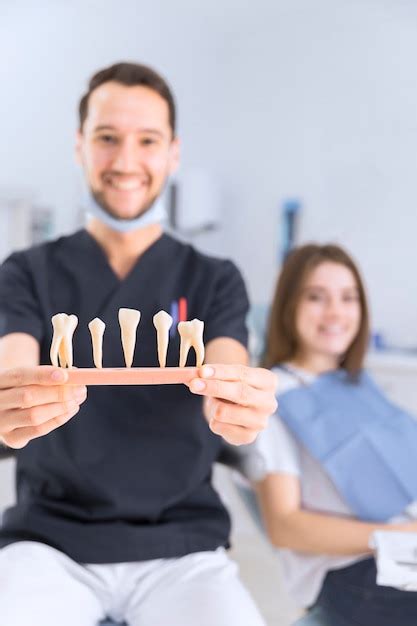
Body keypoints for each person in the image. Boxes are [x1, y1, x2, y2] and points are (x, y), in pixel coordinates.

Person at [0, 62, 277, 626]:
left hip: (183, 548)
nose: (126, 162)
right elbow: (12, 369)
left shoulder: (213, 278)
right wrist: (10, 408)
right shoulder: (27, 272)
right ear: (80, 147)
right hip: (49, 543)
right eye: (107, 139)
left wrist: (240, 405)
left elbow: (227, 370)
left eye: (147, 140)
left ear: (173, 152)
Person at [252, 243, 417, 626]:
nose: (335, 313)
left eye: (348, 298)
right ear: (289, 305)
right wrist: (403, 534)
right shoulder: (270, 396)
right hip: (355, 574)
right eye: (316, 297)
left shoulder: (360, 385)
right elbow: (284, 526)